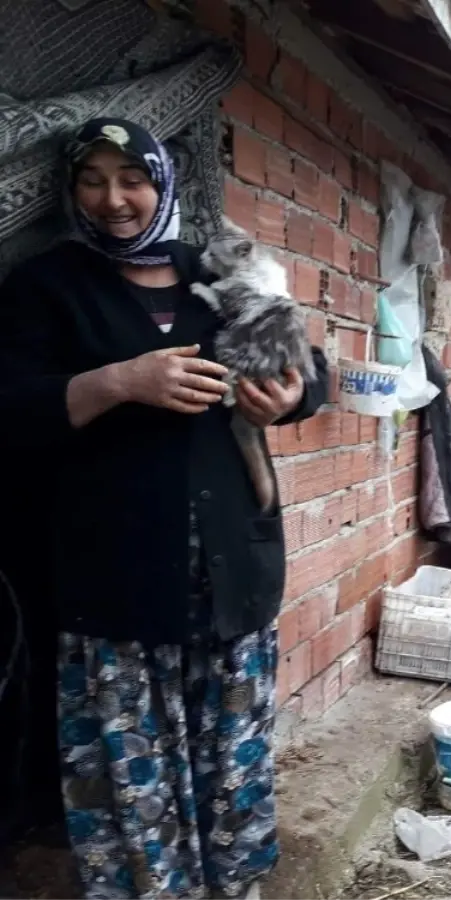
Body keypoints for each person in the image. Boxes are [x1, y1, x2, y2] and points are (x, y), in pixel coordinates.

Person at [0, 117, 329, 900]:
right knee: (130, 790)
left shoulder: (221, 273)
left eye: (132, 179)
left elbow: (309, 371)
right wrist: (118, 383)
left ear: (162, 182)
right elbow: (7, 412)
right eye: (93, 181)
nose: (115, 200)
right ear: (70, 192)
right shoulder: (45, 288)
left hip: (233, 575)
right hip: (113, 588)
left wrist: (293, 397)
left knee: (230, 769)